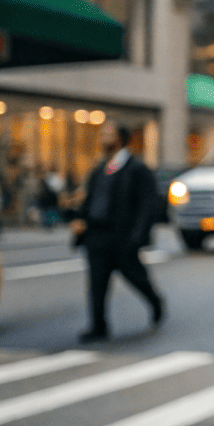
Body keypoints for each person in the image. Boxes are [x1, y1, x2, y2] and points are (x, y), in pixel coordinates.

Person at [70, 122, 165, 343]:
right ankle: (98, 325)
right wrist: (80, 219)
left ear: (121, 138)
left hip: (122, 237)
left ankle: (155, 301)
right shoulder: (100, 169)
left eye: (108, 133)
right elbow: (91, 199)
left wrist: (138, 236)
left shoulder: (136, 169)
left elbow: (147, 205)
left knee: (136, 277)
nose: (103, 137)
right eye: (102, 133)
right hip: (97, 235)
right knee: (96, 284)